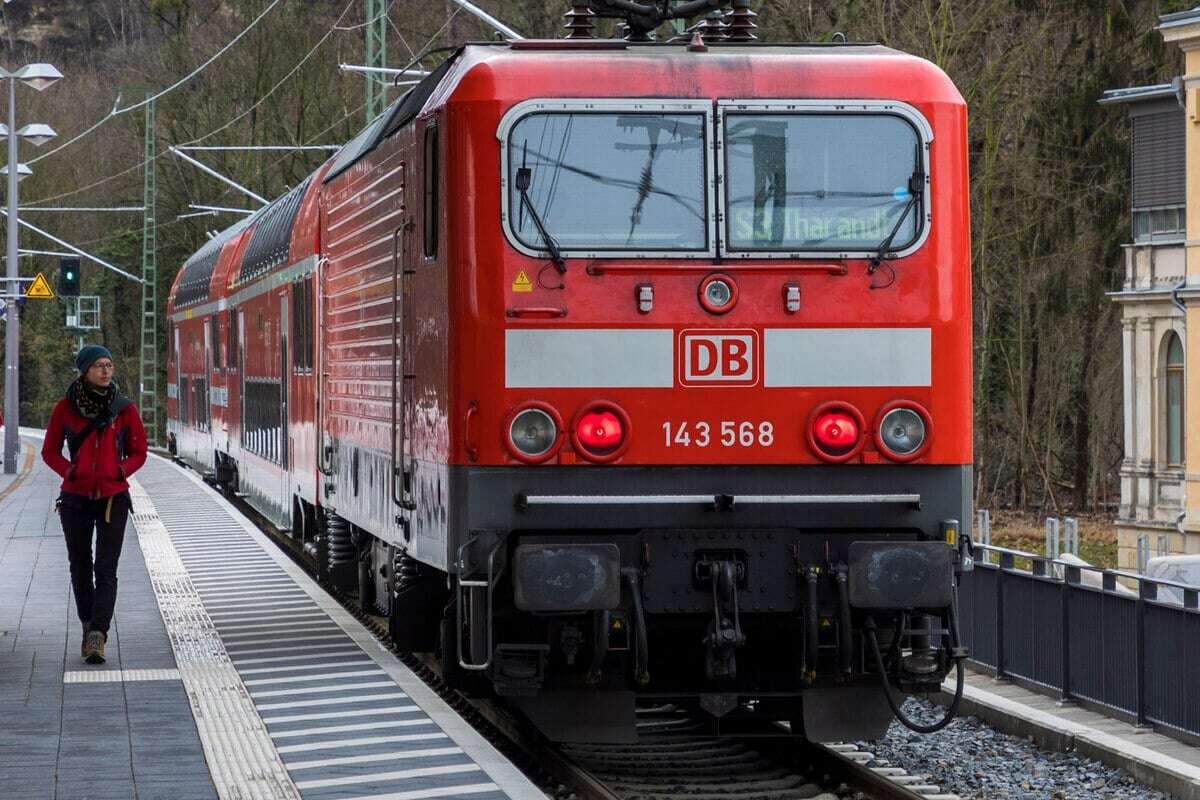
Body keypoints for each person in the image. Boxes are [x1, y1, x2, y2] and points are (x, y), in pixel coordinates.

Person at [42, 345, 147, 664]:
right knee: (79, 565)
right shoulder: (65, 408)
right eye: (99, 366)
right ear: (85, 370)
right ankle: (87, 624)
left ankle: (98, 634)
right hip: (75, 499)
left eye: (109, 365)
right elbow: (49, 451)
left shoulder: (124, 409)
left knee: (106, 568)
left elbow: (139, 452)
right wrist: (69, 471)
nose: (106, 370)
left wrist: (120, 470)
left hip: (113, 498)